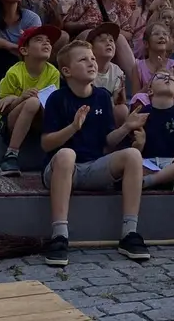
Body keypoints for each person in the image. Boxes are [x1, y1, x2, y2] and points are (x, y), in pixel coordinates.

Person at [39, 40, 151, 266]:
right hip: (61, 170)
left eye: (92, 58)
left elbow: (108, 141)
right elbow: (46, 144)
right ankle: (59, 236)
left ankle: (129, 233)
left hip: (93, 167)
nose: (91, 62)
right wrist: (73, 128)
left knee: (132, 155)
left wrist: (126, 127)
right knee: (67, 154)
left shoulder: (101, 96)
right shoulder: (57, 98)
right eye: (83, 59)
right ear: (67, 71)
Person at [0, 25, 63, 176]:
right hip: (9, 122)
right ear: (25, 50)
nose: (46, 43)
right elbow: (1, 109)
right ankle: (10, 156)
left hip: (39, 120)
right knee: (32, 102)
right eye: (39, 40)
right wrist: (20, 99)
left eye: (48, 41)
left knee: (54, 107)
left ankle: (54, 154)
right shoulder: (15, 72)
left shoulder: (53, 72)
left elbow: (51, 104)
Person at [132, 68, 174, 188]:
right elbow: (133, 149)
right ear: (150, 91)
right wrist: (139, 144)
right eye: (161, 77)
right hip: (147, 162)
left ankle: (152, 180)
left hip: (173, 161)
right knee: (129, 163)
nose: (167, 79)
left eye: (172, 79)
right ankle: (167, 178)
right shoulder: (143, 112)